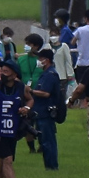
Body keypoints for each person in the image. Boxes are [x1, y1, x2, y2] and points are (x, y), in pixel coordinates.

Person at [29, 42, 63, 170]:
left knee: (48, 141)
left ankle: (52, 166)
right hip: (40, 112)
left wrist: (31, 91)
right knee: (44, 141)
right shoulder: (45, 73)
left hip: (46, 113)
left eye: (40, 59)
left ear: (46, 60)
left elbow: (45, 93)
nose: (38, 61)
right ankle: (49, 166)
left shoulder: (50, 74)